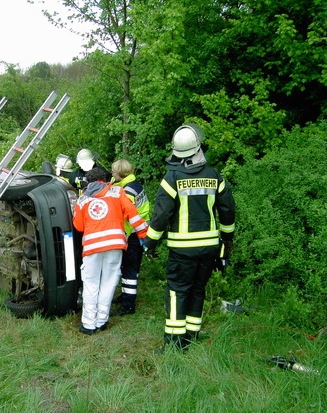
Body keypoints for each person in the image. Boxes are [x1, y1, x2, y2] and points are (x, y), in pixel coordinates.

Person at [143, 124, 235, 353]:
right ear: (197, 148)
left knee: (177, 292)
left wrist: (150, 244)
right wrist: (227, 241)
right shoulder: (215, 176)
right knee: (197, 290)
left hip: (182, 250)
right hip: (210, 248)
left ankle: (174, 345)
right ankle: (191, 337)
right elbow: (228, 211)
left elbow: (161, 216)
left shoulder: (171, 178)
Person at [73, 167, 148, 335]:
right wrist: (145, 234)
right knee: (108, 282)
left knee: (91, 284)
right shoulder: (117, 192)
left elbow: (78, 226)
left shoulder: (83, 199)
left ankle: (88, 324)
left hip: (92, 247)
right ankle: (102, 321)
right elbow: (133, 214)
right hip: (115, 244)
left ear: (89, 182)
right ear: (105, 179)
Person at [111, 159, 150, 315]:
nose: (112, 174)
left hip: (134, 233)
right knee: (128, 267)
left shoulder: (129, 192)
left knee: (129, 269)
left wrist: (122, 236)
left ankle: (128, 306)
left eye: (114, 171)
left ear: (120, 173)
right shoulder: (132, 183)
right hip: (139, 229)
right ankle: (126, 295)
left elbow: (128, 216)